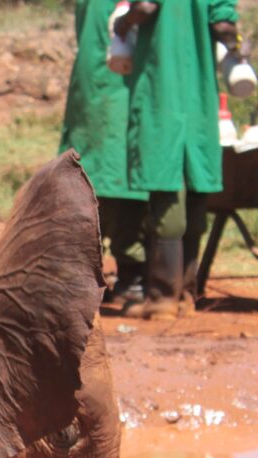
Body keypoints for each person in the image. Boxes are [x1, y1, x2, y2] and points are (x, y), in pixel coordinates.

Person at [114, 0, 243, 319]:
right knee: (196, 189)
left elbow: (144, 7)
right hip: (199, 98)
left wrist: (123, 24)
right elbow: (224, 26)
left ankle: (162, 298)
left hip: (162, 92)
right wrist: (238, 46)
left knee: (166, 188)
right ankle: (186, 294)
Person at [61, 0, 148, 305]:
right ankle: (132, 275)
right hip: (121, 86)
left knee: (91, 176)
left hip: (91, 90)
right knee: (121, 176)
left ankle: (89, 275)